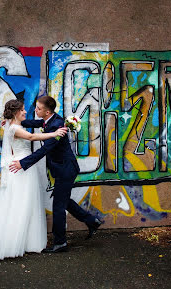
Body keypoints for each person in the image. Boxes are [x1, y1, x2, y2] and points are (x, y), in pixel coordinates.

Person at [0, 99, 67, 260]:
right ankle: (12, 242)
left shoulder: (14, 125)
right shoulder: (15, 128)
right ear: (16, 113)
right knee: (20, 203)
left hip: (23, 167)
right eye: (23, 110)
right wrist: (54, 133)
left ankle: (25, 241)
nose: (26, 112)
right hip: (20, 168)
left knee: (25, 203)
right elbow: (31, 137)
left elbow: (35, 124)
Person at [9, 95, 103, 253]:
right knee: (64, 200)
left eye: (38, 109)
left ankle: (60, 242)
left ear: (46, 112)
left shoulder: (57, 126)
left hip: (66, 169)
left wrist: (23, 163)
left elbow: (45, 149)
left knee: (58, 205)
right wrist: (16, 121)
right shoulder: (50, 120)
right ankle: (91, 221)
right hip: (61, 168)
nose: (35, 110)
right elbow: (38, 123)